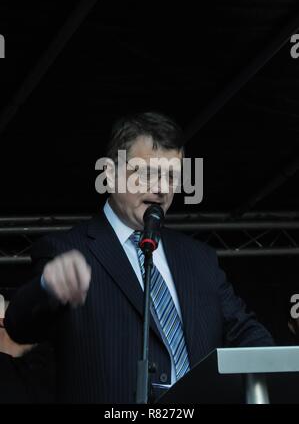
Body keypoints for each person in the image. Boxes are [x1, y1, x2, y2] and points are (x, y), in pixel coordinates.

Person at [4, 111, 274, 403]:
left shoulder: (200, 259)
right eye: (147, 174)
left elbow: (248, 334)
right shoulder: (65, 250)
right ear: (109, 174)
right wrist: (48, 287)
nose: (160, 189)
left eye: (171, 176)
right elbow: (20, 325)